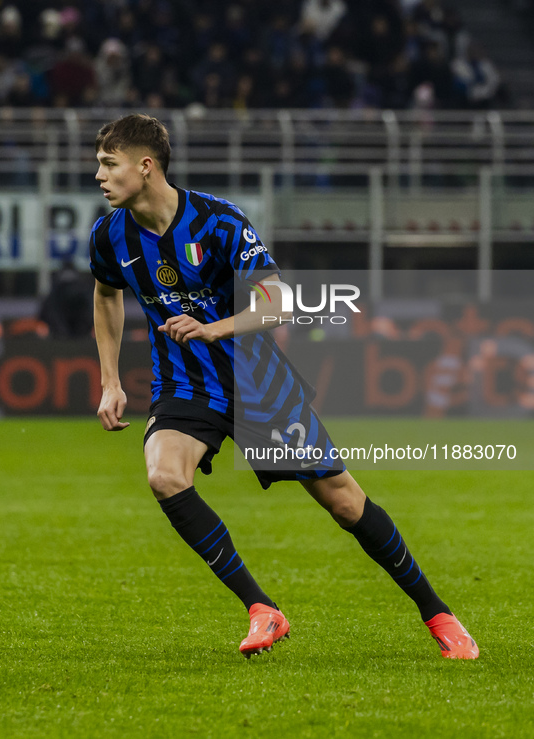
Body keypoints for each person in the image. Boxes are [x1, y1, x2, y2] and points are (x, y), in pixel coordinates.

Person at [89, 113, 479, 660]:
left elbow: (278, 300)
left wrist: (215, 327)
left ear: (145, 166)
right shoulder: (109, 235)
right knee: (163, 474)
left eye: (110, 165)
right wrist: (110, 380)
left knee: (344, 504)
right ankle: (262, 609)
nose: (99, 176)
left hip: (259, 383)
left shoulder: (220, 223)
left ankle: (438, 614)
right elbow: (106, 296)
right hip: (187, 383)